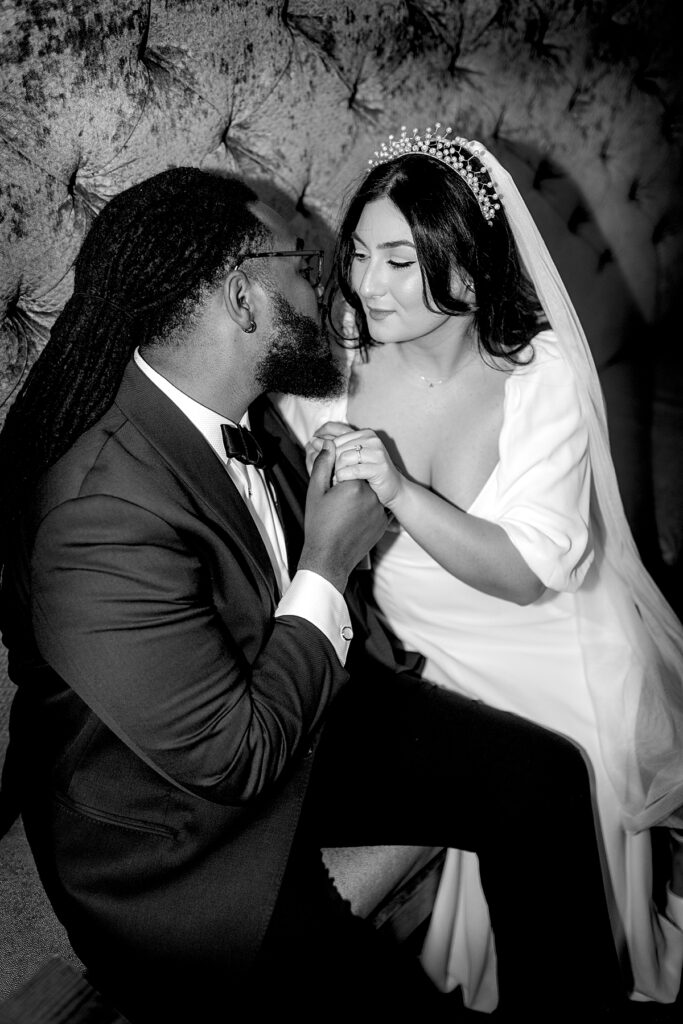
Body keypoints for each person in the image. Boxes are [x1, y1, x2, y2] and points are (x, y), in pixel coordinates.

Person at [0, 166, 624, 1024]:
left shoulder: (235, 409)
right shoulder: (96, 513)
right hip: (180, 854)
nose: (335, 284)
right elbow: (231, 759)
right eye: (304, 259)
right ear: (244, 298)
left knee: (540, 776)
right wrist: (328, 560)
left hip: (289, 720)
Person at [275, 124, 683, 1012]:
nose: (364, 284)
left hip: (549, 646)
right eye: (359, 255)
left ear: (463, 270)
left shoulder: (536, 374)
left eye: (396, 260)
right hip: (434, 663)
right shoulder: (333, 369)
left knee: (565, 772)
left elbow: (528, 575)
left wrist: (400, 489)